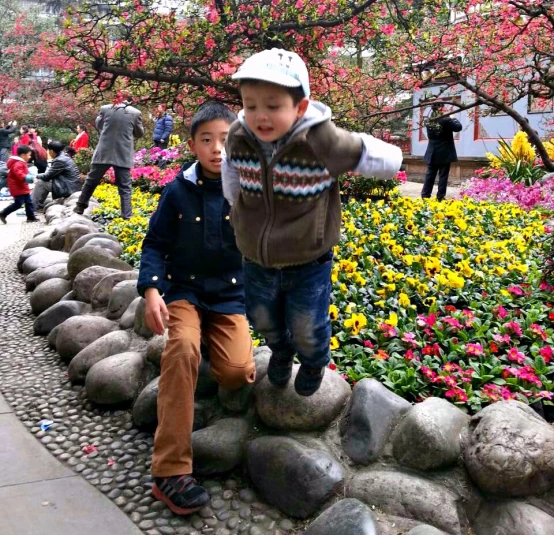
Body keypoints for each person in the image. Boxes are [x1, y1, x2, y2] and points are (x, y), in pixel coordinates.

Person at [223, 48, 402, 397]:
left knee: (308, 324)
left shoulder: (319, 138)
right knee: (261, 317)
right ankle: (280, 350)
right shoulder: (239, 134)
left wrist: (394, 161)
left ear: (300, 107)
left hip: (308, 257)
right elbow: (232, 171)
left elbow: (360, 149)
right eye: (251, 104)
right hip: (256, 256)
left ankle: (314, 360)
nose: (260, 116)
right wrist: (236, 207)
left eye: (273, 106)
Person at [138, 102, 255, 515]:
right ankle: (170, 471)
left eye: (226, 139)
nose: (217, 148)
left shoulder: (248, 190)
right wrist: (152, 291)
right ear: (192, 144)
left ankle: (211, 339)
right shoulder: (178, 190)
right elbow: (154, 244)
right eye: (206, 139)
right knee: (183, 349)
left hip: (229, 296)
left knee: (237, 372)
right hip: (184, 293)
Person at [74, 96, 144, 218]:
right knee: (125, 186)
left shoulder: (105, 109)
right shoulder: (135, 113)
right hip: (123, 153)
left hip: (104, 151)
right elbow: (139, 133)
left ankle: (80, 206)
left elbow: (99, 125)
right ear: (130, 101)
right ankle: (126, 216)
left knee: (91, 180)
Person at [421, 102, 462, 201]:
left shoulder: (428, 121)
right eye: (443, 107)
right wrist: (453, 117)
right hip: (444, 153)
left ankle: (425, 196)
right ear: (440, 108)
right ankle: (440, 197)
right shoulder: (446, 120)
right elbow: (458, 127)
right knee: (443, 176)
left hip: (432, 152)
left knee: (430, 175)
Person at [33, 140, 82, 211]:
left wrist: (37, 176)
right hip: (72, 185)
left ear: (52, 151)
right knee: (43, 181)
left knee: (41, 182)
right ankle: (34, 204)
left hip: (69, 188)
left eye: (48, 150)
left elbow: (47, 176)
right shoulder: (64, 156)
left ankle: (33, 207)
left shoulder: (60, 160)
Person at [0, 145, 38, 224]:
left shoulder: (21, 163)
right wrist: (28, 178)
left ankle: (31, 217)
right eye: (29, 155)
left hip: (22, 186)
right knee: (18, 203)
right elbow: (19, 174)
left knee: (28, 202)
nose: (30, 157)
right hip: (17, 187)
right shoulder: (18, 164)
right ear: (23, 155)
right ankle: (3, 213)